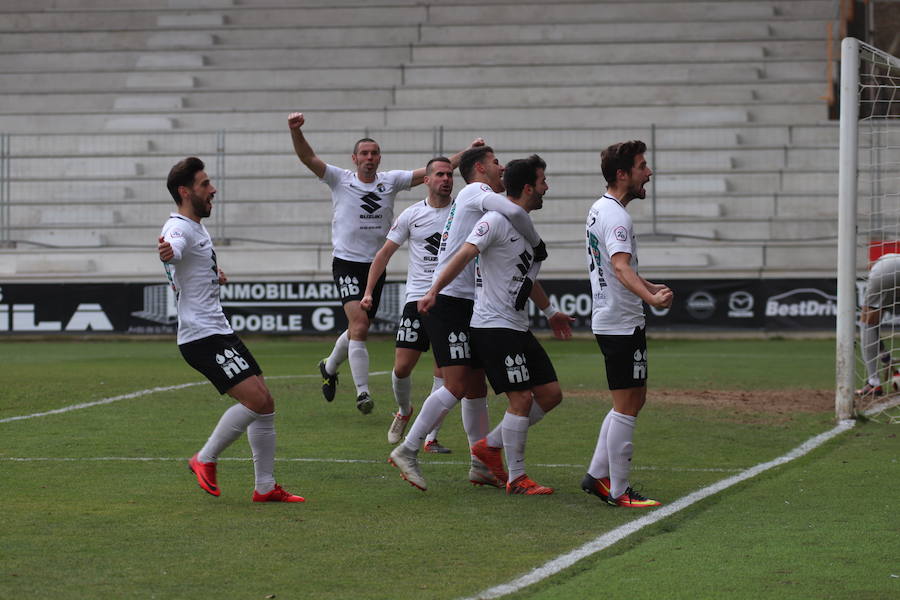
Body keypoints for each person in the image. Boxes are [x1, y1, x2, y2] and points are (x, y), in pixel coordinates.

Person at [389, 148, 569, 492]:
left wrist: (549, 310)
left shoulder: (489, 209)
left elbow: (520, 269)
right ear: (479, 168)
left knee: (474, 388)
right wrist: (538, 244)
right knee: (455, 385)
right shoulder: (477, 193)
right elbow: (510, 213)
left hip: (469, 302)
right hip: (450, 299)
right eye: (495, 162)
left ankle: (480, 462)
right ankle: (409, 448)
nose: (500, 167)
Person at [288, 112, 480, 415]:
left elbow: (434, 171)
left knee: (356, 327)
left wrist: (469, 152)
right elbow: (308, 157)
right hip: (347, 263)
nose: (369, 157)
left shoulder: (390, 182)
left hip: (375, 266)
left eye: (374, 153)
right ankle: (363, 394)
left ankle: (329, 365)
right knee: (361, 325)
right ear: (354, 158)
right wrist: (295, 131)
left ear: (379, 158)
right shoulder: (340, 179)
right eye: (364, 153)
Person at [157, 156, 303, 503]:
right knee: (255, 400)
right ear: (185, 191)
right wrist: (167, 251)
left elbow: (186, 260)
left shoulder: (195, 226)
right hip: (201, 336)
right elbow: (173, 248)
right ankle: (204, 458)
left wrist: (213, 272)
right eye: (205, 184)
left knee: (266, 403)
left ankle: (265, 487)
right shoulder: (178, 227)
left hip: (218, 331)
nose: (213, 189)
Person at [581, 140, 672, 508]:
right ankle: (617, 490)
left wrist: (647, 286)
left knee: (633, 398)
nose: (648, 172)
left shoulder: (601, 208)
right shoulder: (618, 216)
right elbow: (618, 267)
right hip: (619, 320)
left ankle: (596, 475)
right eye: (642, 166)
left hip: (615, 317)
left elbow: (618, 266)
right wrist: (650, 299)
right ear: (623, 174)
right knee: (627, 404)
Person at [361, 157, 455, 452]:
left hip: (450, 299)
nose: (446, 179)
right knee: (402, 368)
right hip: (417, 299)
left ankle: (430, 437)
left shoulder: (463, 213)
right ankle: (404, 410)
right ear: (426, 180)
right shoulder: (411, 215)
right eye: (439, 174)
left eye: (450, 174)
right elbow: (383, 254)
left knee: (445, 370)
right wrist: (368, 292)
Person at [856, 253, 900, 397]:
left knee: (868, 322)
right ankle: (885, 357)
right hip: (889, 267)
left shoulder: (881, 262)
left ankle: (873, 383)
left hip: (887, 269)